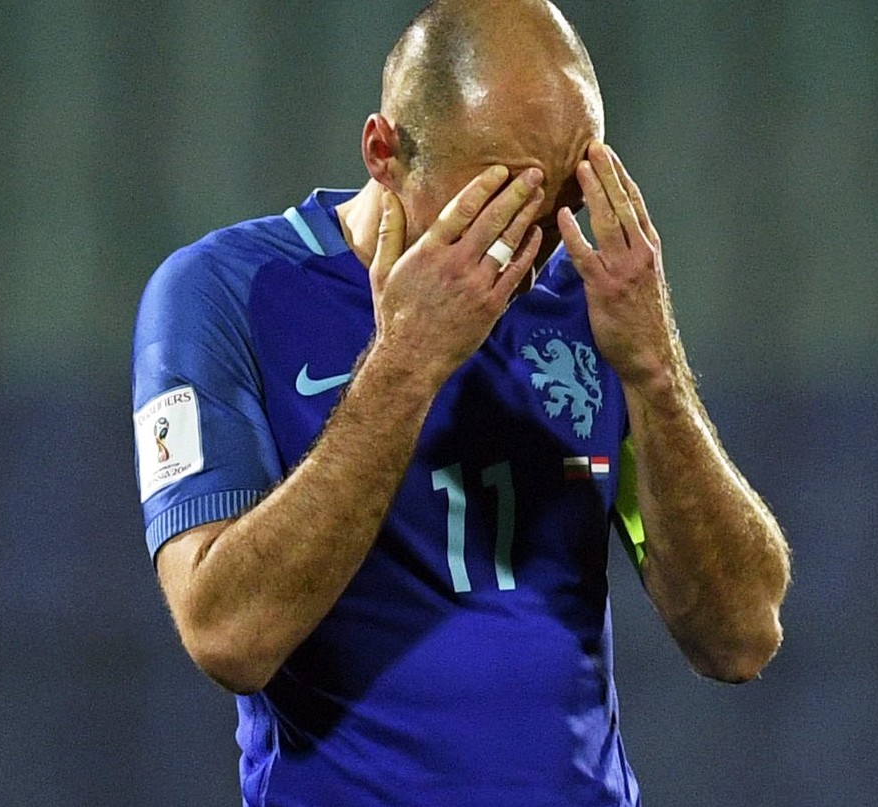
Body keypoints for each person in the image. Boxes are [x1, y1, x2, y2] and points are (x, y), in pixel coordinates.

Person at [130, 1, 791, 804]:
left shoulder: (591, 303)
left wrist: (658, 375)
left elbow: (740, 637)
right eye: (500, 203)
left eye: (561, 204)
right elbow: (227, 633)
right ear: (384, 152)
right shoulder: (226, 292)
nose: (532, 246)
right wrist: (404, 366)